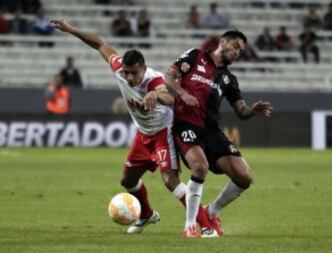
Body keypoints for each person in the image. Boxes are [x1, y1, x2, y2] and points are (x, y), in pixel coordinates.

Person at [51, 19, 216, 237]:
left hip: (163, 133)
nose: (129, 77)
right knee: (127, 181)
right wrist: (70, 29)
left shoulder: (154, 79)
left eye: (134, 73)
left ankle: (207, 225)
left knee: (170, 181)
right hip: (143, 134)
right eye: (126, 72)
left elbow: (169, 98)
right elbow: (100, 43)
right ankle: (147, 215)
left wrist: (154, 94)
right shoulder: (119, 67)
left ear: (144, 69)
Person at [165, 30, 273, 237]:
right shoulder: (196, 56)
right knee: (200, 167)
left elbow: (241, 111)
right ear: (222, 41)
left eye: (241, 51)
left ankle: (211, 212)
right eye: (235, 47)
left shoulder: (229, 79)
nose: (237, 53)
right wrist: (183, 93)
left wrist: (252, 110)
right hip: (186, 124)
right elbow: (168, 77)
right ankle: (190, 226)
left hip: (212, 131)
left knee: (245, 177)